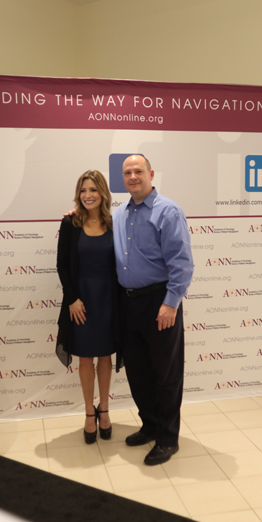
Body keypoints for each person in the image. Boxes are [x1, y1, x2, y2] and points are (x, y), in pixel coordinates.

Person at [113, 155, 193, 465]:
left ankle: (168, 439)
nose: (133, 176)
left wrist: (171, 303)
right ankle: (150, 425)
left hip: (160, 302)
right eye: (127, 172)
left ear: (151, 174)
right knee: (137, 370)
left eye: (138, 171)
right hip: (128, 302)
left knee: (166, 373)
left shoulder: (168, 211)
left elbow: (182, 262)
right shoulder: (119, 214)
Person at [56, 170, 121, 444]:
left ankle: (104, 410)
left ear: (102, 193)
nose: (88, 195)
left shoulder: (115, 223)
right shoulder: (70, 223)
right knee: (85, 358)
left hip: (108, 298)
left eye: (93, 190)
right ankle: (88, 413)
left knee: (105, 356)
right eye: (83, 190)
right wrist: (72, 299)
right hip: (80, 300)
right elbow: (62, 265)